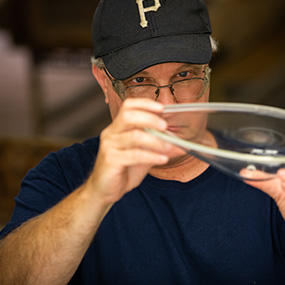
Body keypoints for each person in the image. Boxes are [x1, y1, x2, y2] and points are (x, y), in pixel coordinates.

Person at [1, 0, 285, 284]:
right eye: (140, 81)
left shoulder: (268, 171)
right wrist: (94, 197)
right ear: (103, 81)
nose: (166, 104)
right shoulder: (63, 176)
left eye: (184, 76)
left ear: (207, 69)